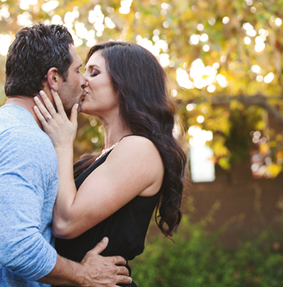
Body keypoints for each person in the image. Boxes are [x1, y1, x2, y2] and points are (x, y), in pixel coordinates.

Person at [0, 24, 132, 287]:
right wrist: (83, 274)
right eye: (77, 70)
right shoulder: (25, 139)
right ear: (54, 78)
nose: (82, 80)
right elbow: (15, 245)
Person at [33, 41, 186, 284]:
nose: (83, 81)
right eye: (83, 72)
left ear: (128, 82)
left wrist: (62, 144)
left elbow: (65, 222)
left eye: (93, 72)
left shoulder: (140, 149)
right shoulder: (100, 158)